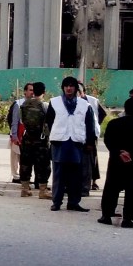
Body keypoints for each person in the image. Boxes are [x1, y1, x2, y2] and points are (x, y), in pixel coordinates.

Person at [97, 98, 133, 228]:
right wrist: (131, 154)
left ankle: (107, 215)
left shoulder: (114, 124)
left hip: (117, 161)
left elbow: (108, 141)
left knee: (111, 188)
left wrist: (120, 152)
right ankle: (129, 219)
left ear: (125, 108)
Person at [46, 76, 96, 212]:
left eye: (71, 86)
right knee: (59, 174)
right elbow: (49, 121)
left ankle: (74, 202)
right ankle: (56, 202)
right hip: (60, 142)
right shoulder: (54, 102)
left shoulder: (85, 105)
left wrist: (90, 142)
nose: (69, 88)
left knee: (76, 175)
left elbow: (89, 125)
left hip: (76, 143)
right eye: (66, 86)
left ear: (75, 88)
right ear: (63, 88)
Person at [18, 82, 51, 200]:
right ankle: (42, 191)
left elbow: (22, 120)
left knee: (25, 164)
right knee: (43, 165)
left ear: (33, 91)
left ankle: (24, 189)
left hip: (27, 138)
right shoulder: (45, 106)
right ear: (44, 92)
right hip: (41, 139)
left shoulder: (24, 104)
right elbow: (49, 121)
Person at [78, 82, 104, 195]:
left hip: (91, 134)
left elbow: (103, 114)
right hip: (78, 135)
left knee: (91, 160)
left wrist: (96, 125)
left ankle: (92, 181)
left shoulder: (92, 101)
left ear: (83, 92)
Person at [7, 83, 33, 183]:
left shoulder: (35, 103)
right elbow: (14, 120)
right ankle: (16, 176)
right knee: (15, 156)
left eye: (33, 90)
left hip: (27, 135)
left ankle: (24, 176)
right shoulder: (18, 103)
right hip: (18, 133)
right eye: (30, 90)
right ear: (25, 92)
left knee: (24, 157)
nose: (32, 92)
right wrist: (14, 135)